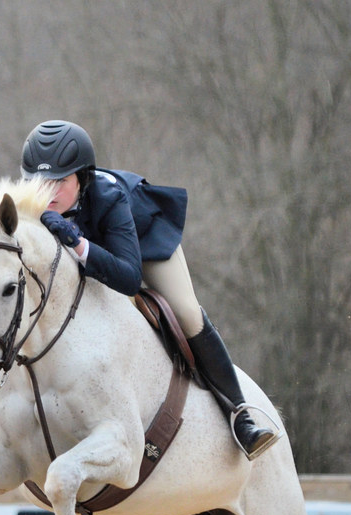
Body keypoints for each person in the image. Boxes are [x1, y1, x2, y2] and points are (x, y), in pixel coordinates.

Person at [20, 120, 279, 460]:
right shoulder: (26, 205)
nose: (48, 192)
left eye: (60, 182)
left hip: (141, 243)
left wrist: (76, 242)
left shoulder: (109, 198)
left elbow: (129, 278)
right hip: (94, 252)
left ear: (81, 178)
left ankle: (241, 417)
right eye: (40, 182)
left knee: (186, 312)